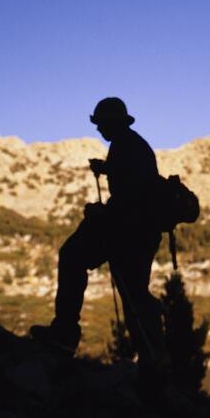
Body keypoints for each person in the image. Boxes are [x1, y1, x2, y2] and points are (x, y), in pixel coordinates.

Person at [31, 97, 163, 364]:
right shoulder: (130, 144)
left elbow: (132, 196)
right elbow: (135, 183)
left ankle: (64, 336)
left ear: (112, 122)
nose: (99, 129)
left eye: (101, 123)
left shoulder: (126, 146)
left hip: (127, 230)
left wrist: (101, 213)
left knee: (72, 256)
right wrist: (106, 168)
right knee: (136, 294)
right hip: (141, 233)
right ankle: (156, 358)